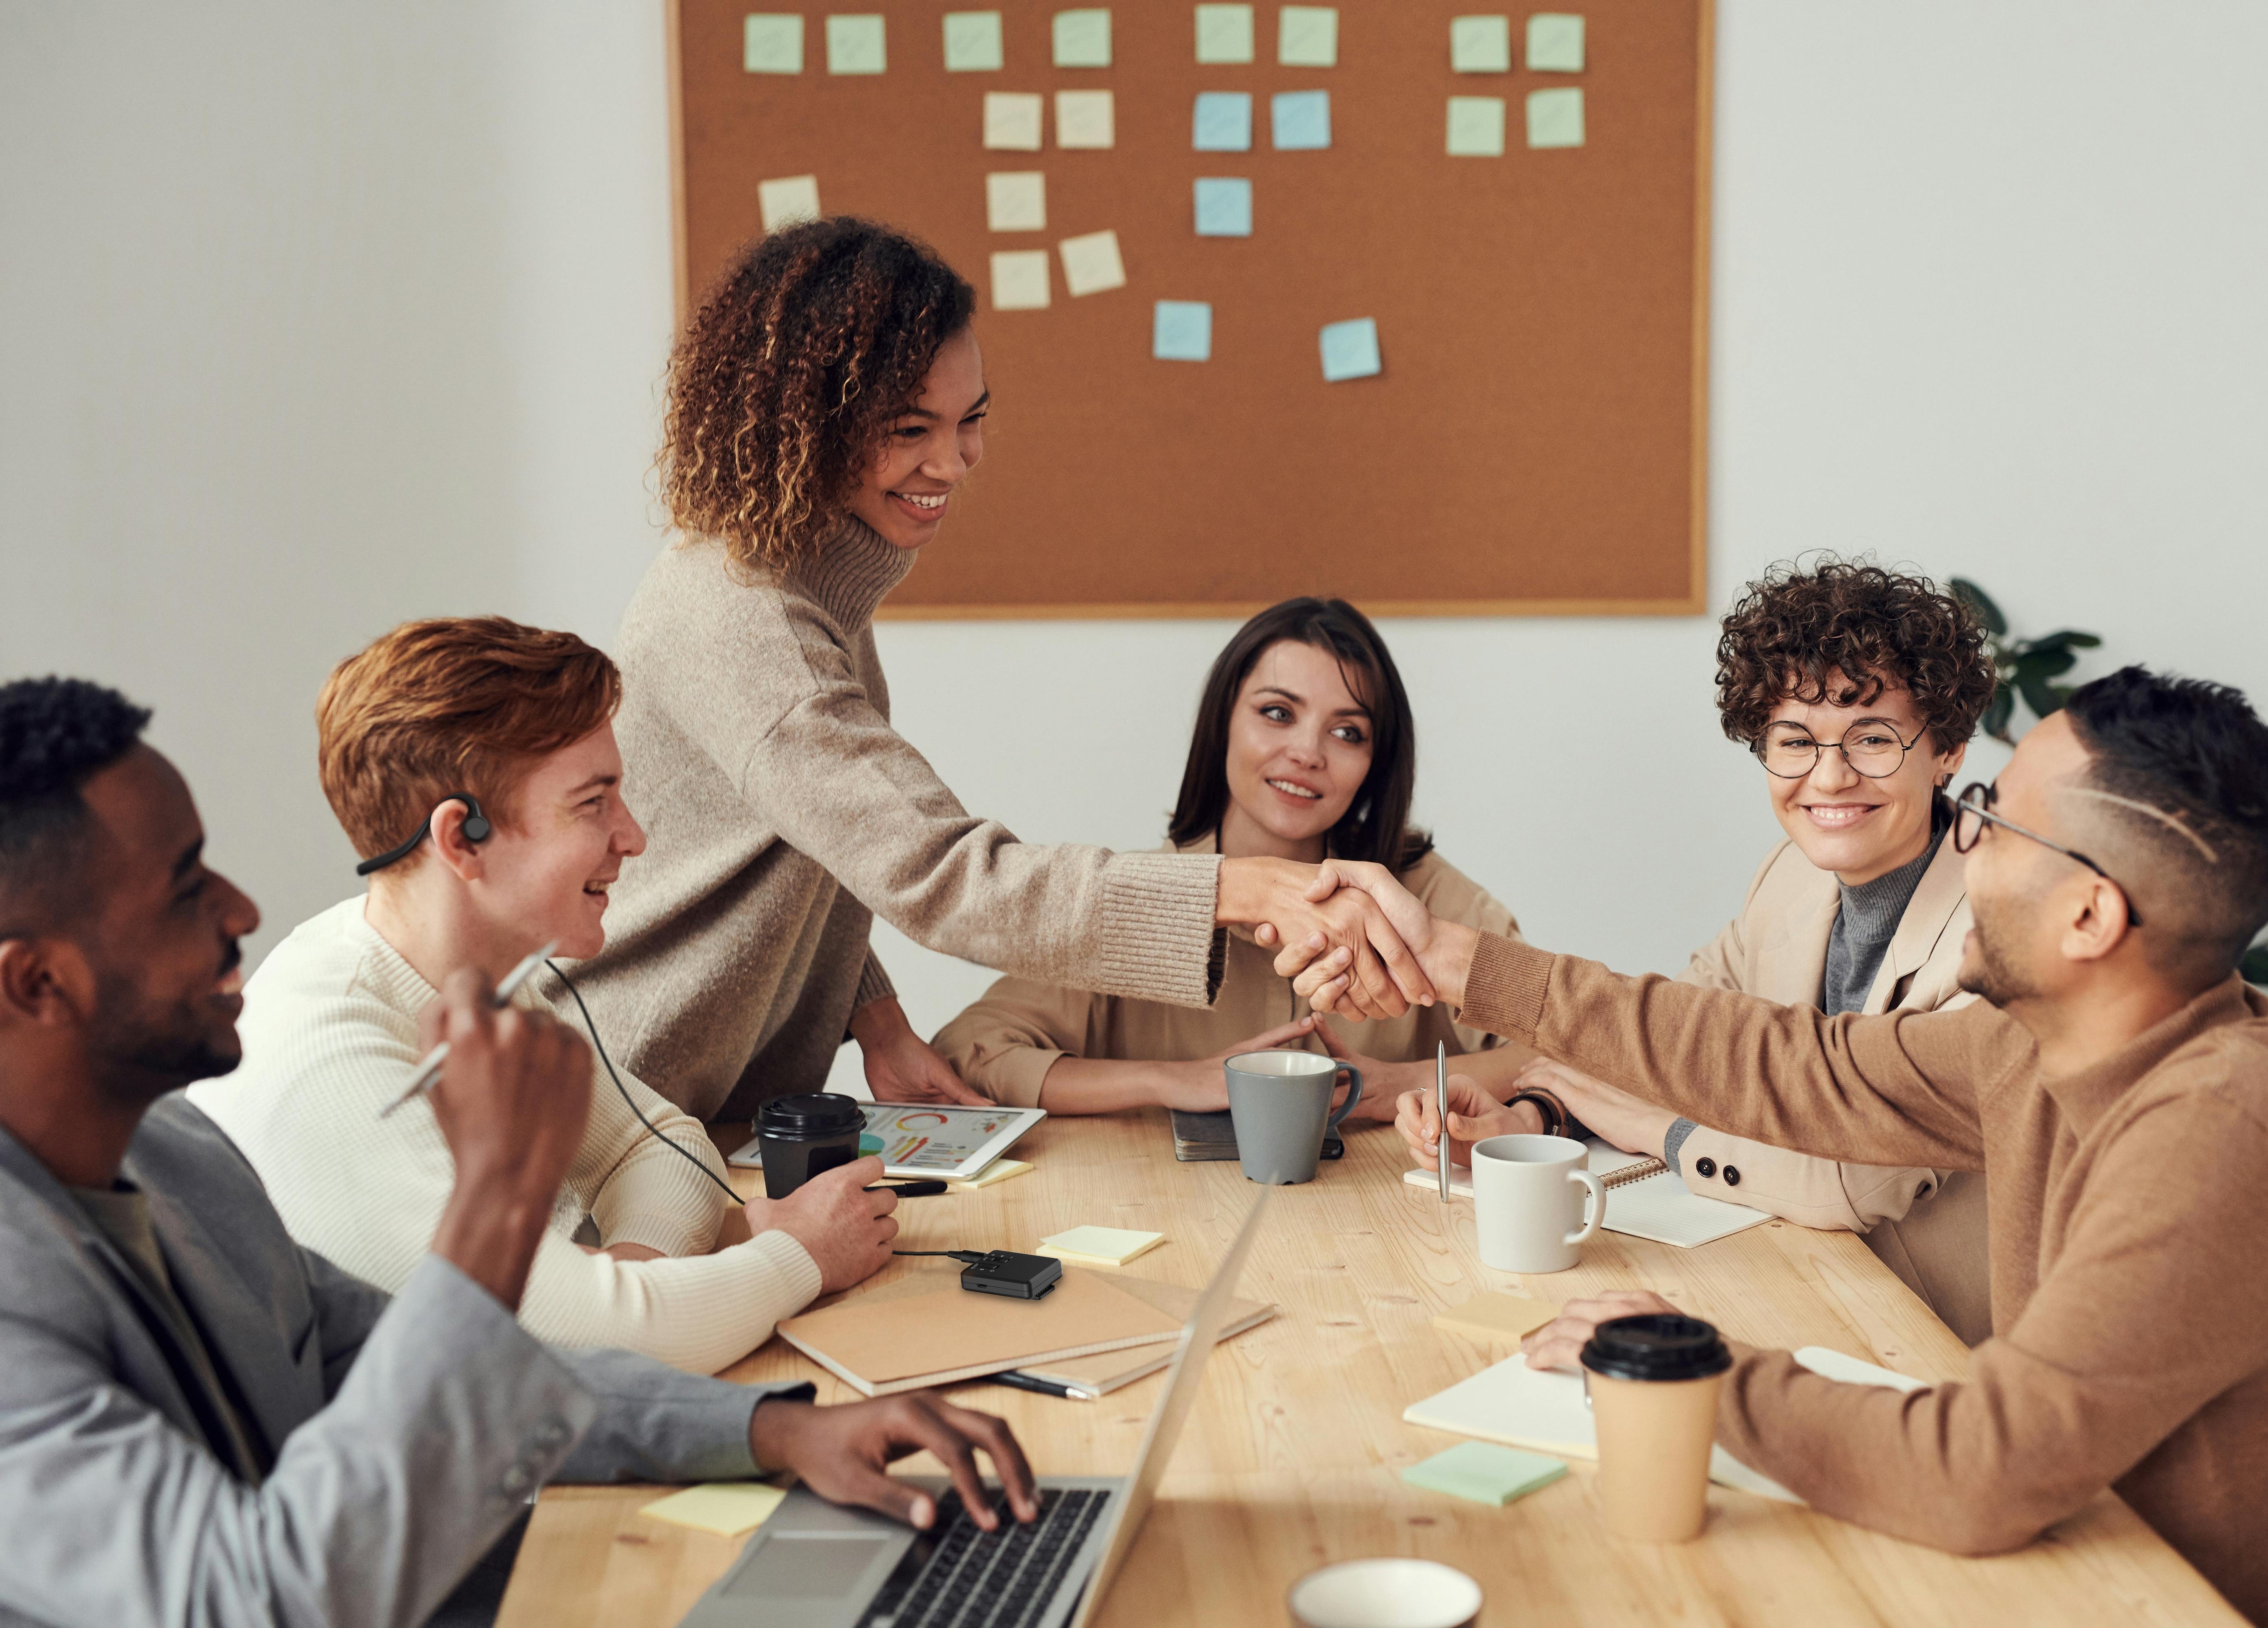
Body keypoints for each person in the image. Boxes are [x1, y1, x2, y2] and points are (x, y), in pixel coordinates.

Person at [1288, 666, 2268, 1628]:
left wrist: (1698, 1372)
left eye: (1990, 819)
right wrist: (1460, 964)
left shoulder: (2225, 1131)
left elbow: (1979, 1471)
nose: (1959, 841)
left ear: (2091, 918)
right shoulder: (2046, 1039)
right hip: (2081, 1559)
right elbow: (1799, 1067)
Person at [0, 677, 1036, 1628]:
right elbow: (262, 1601)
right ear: (37, 983)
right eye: (186, 889)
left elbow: (446, 1369)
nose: (243, 910)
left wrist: (772, 1434)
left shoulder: (175, 1156)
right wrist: (499, 1198)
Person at [568, 217, 1434, 1126]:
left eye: (972, 419)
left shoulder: (803, 592)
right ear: (806, 426)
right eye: (911, 429)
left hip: (698, 1113)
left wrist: (877, 1019)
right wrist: (1242, 887)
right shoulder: (748, 621)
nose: (953, 462)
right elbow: (945, 874)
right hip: (616, 1108)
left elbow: (815, 841)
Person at [190, 619, 892, 1374]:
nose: (633, 838)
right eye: (593, 804)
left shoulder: (470, 974)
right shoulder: (333, 1061)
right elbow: (583, 1354)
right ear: (461, 839)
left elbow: (661, 1146)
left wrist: (631, 1284)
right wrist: (799, 1255)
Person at [1405, 561, 1999, 1340]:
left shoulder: (1999, 927)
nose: (1828, 776)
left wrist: (1657, 1132)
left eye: (1873, 739)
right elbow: (1674, 1037)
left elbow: (1854, 1182)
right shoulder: (1789, 876)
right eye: (1795, 741)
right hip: (1801, 1284)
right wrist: (1536, 1114)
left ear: (1948, 747)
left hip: (1942, 1338)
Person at [932, 598, 1531, 1117]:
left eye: (1347, 732)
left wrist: (1412, 1082)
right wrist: (1172, 1080)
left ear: (1376, 765)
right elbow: (969, 1050)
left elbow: (1569, 1052)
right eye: (1278, 714)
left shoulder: (1429, 900)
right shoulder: (1135, 902)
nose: (1307, 752)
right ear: (1223, 723)